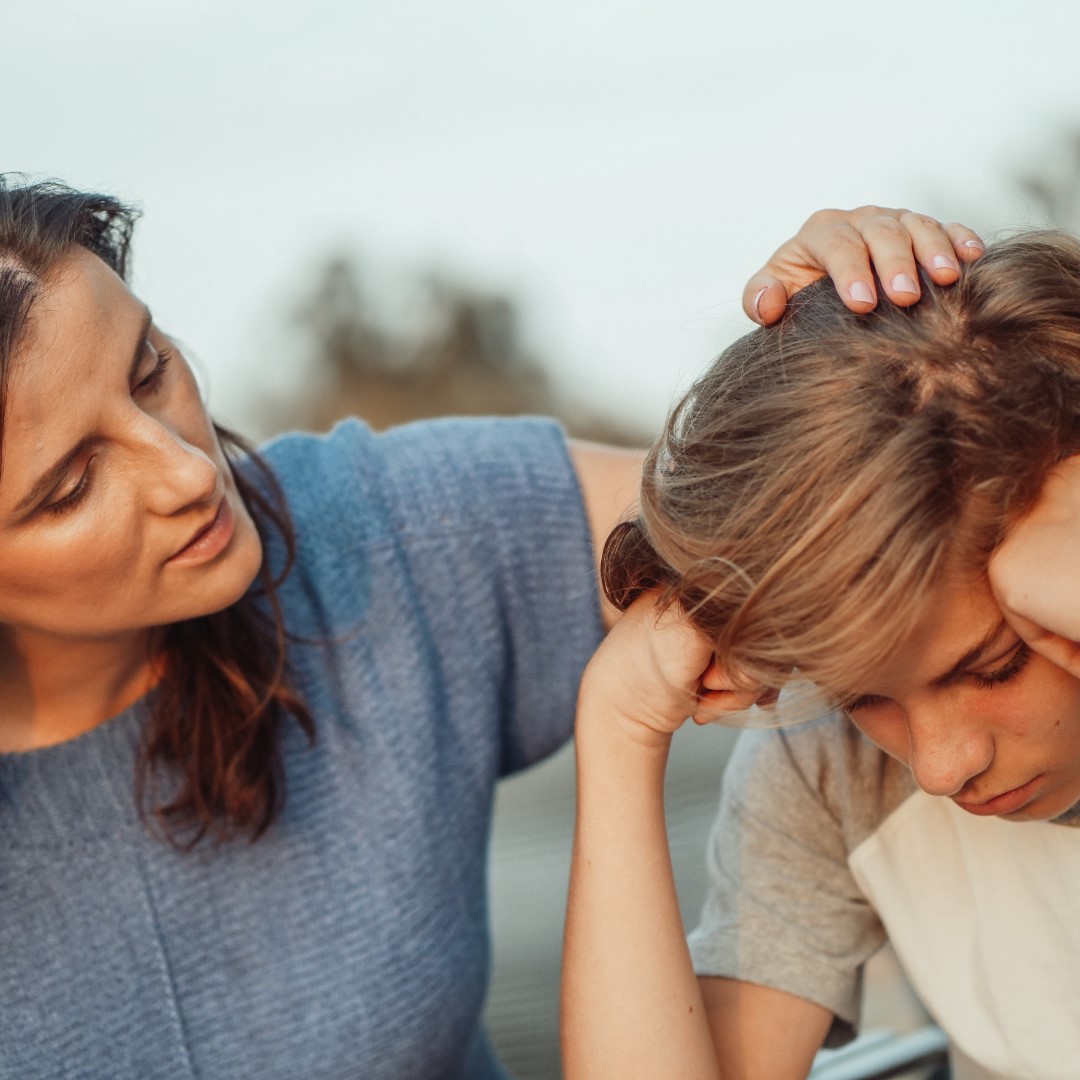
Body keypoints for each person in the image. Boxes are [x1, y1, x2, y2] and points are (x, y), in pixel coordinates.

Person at [0, 176, 976, 1080]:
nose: (187, 473)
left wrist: (864, 352)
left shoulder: (381, 534)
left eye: (148, 369)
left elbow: (828, 506)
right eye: (72, 486)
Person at [562, 228, 1080, 1080]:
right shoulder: (830, 771)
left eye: (993, 666)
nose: (941, 766)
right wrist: (616, 728)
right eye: (861, 697)